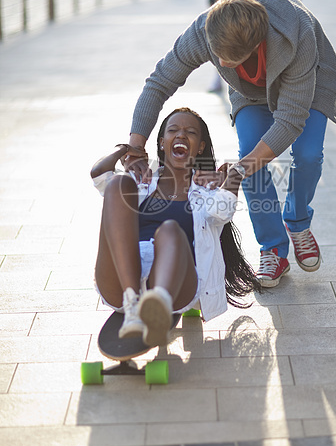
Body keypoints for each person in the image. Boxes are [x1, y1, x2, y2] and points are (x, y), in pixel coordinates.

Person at [125, 0, 336, 289]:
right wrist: (136, 145)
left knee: (307, 155)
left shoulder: (297, 35)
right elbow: (160, 82)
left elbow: (290, 120)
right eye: (219, 58)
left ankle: (298, 220)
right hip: (251, 94)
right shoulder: (205, 30)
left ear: (257, 44)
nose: (222, 65)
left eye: (229, 60)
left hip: (311, 81)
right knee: (250, 155)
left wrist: (238, 169)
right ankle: (273, 249)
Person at [91, 107, 262, 344]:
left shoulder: (206, 188)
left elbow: (222, 211)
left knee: (171, 229)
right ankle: (132, 303)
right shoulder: (142, 179)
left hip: (176, 281)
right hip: (121, 276)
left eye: (190, 132)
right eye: (173, 130)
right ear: (162, 143)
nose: (181, 135)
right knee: (117, 184)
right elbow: (99, 175)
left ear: (200, 147)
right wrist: (127, 151)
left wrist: (233, 177)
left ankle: (158, 307)